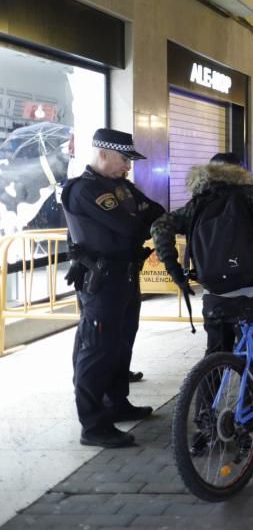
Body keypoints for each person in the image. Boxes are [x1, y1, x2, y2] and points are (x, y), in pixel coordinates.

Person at [150, 152, 253, 451]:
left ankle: (204, 429)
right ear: (241, 171)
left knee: (214, 359)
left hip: (215, 296)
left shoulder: (198, 202)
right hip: (250, 294)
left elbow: (160, 226)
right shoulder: (251, 195)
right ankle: (252, 430)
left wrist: (175, 269)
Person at [62, 128, 165, 448]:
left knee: (121, 344)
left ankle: (116, 403)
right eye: (123, 159)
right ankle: (93, 425)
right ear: (102, 154)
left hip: (125, 276)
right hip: (102, 281)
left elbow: (156, 212)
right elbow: (130, 225)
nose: (128, 166)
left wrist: (137, 218)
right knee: (97, 350)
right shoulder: (83, 189)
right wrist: (137, 219)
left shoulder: (121, 187)